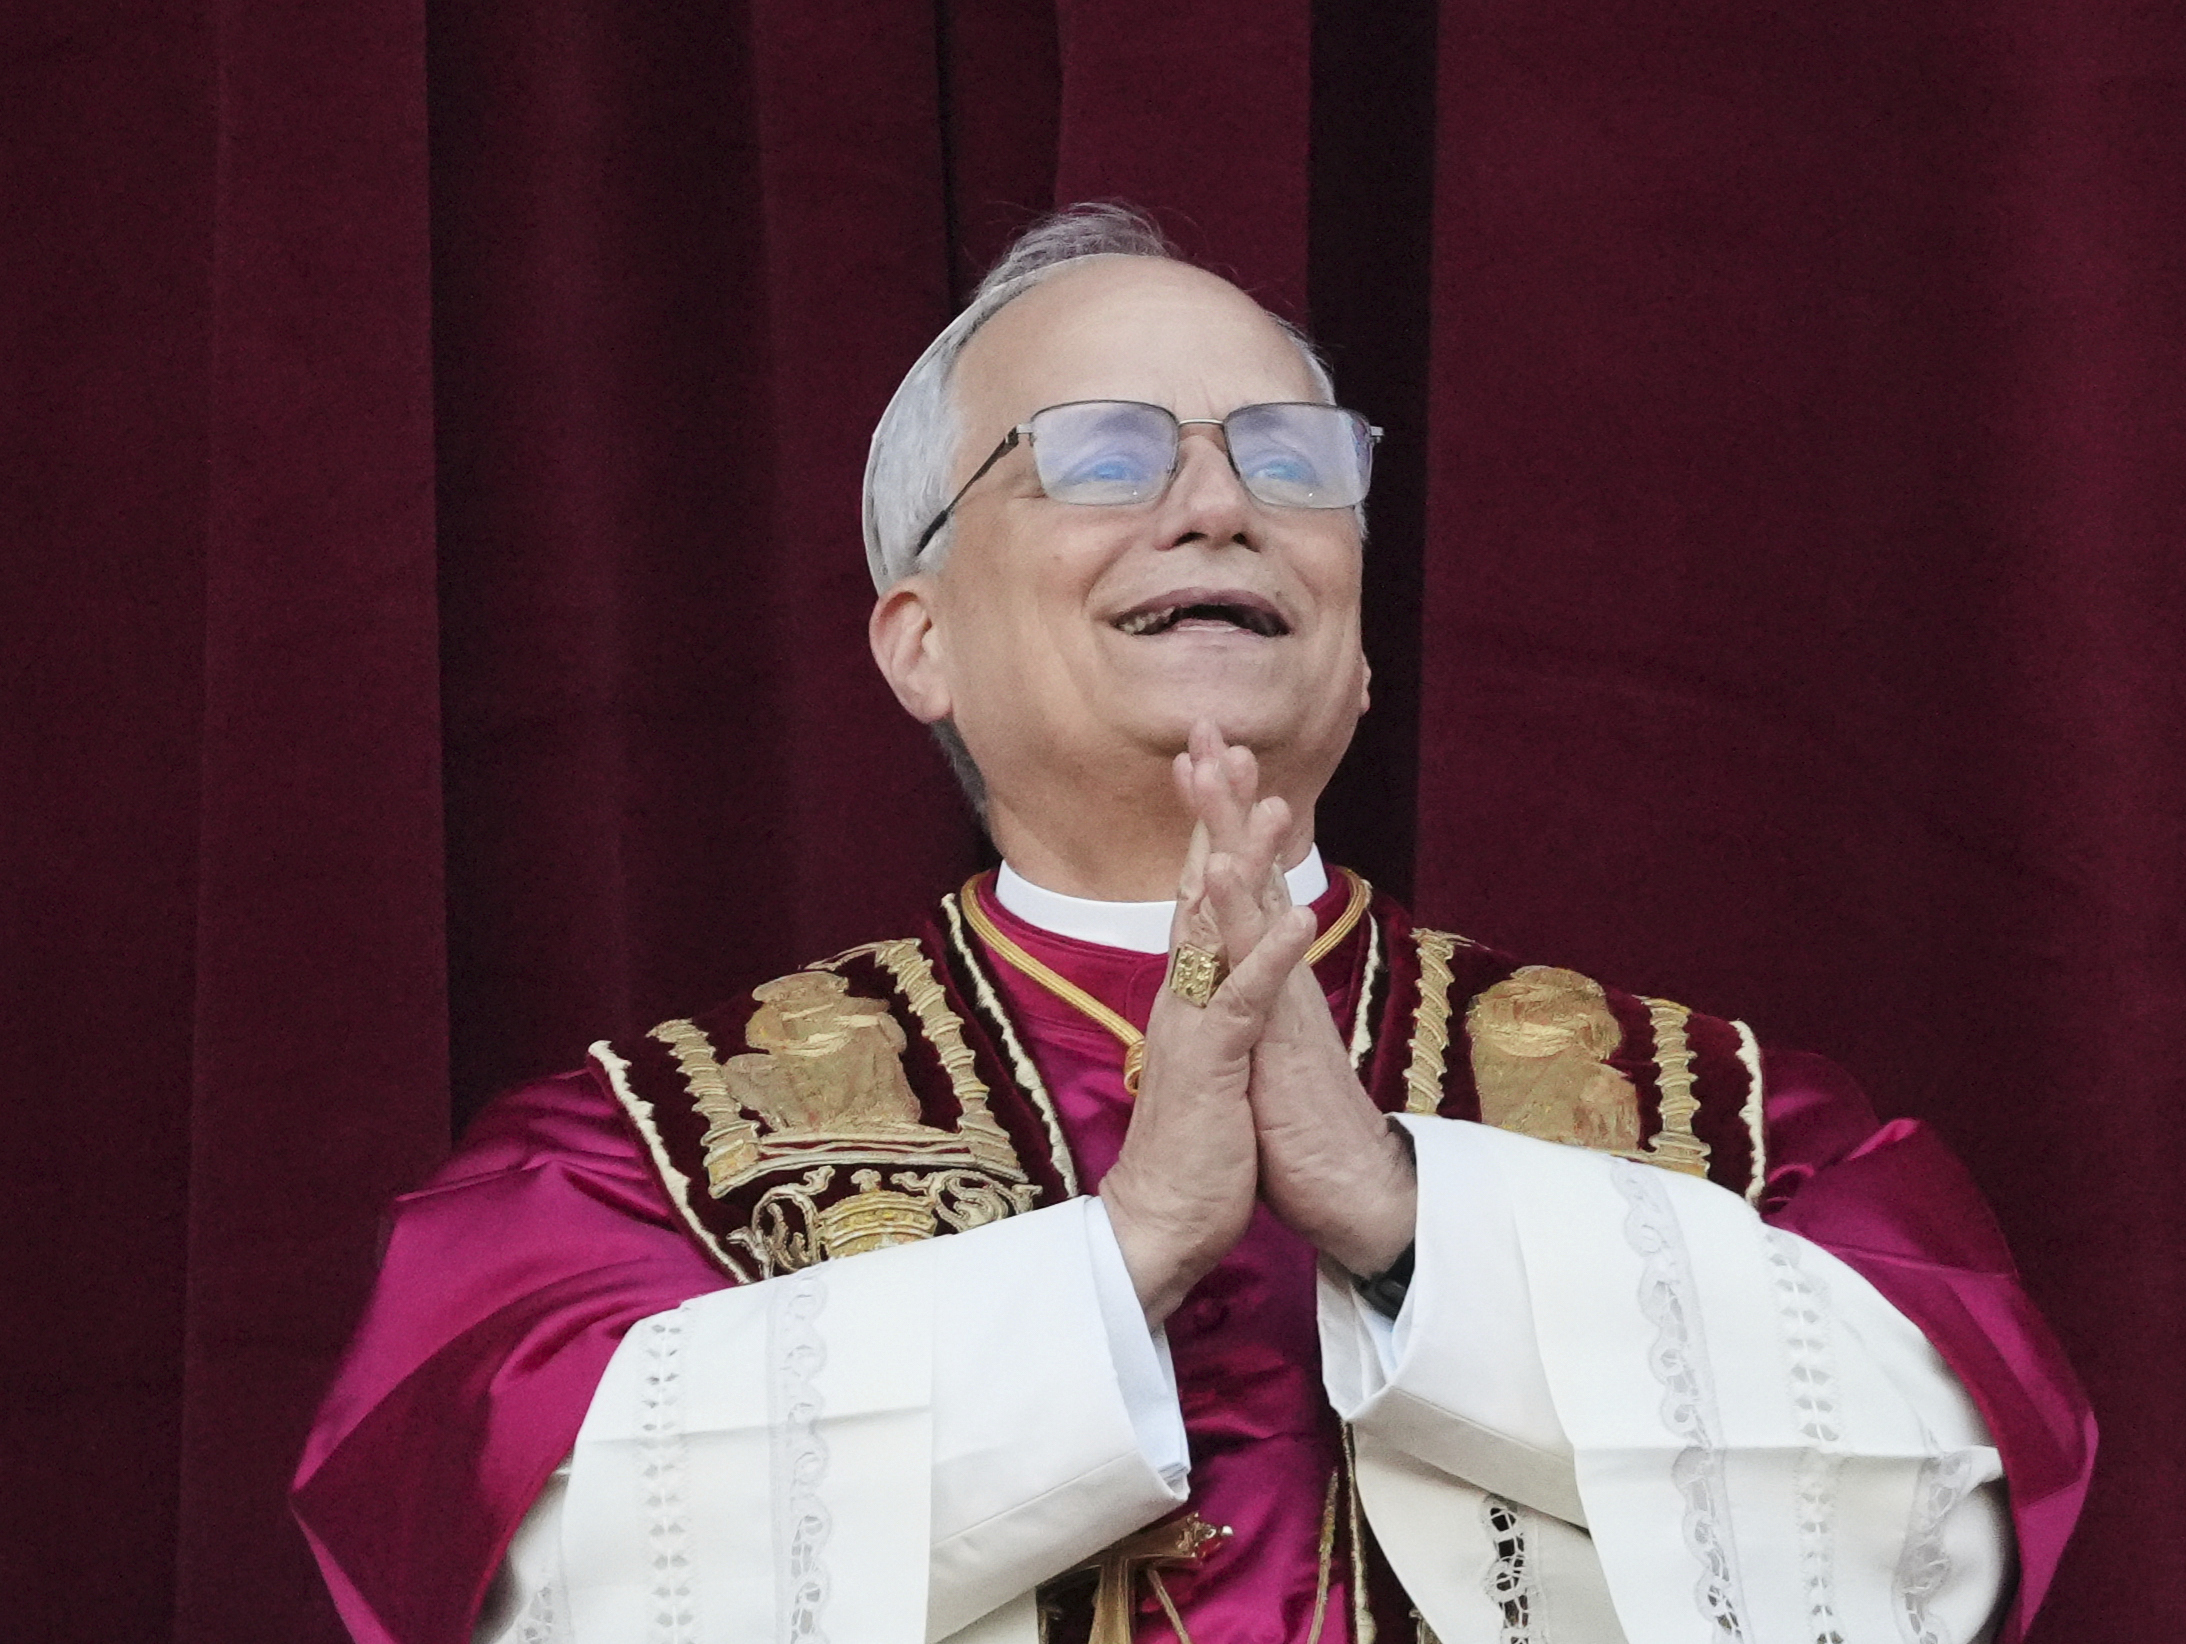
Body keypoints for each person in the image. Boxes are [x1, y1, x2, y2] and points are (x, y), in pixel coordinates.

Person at [294, 204, 2095, 1644]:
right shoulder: (626, 1163)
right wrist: (1124, 1254)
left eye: (1291, 454)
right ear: (917, 637)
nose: (1221, 501)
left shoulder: (1736, 1120)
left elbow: (1953, 1509)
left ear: (1363, 639)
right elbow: (533, 1571)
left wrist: (1407, 1220)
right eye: (1097, 454)